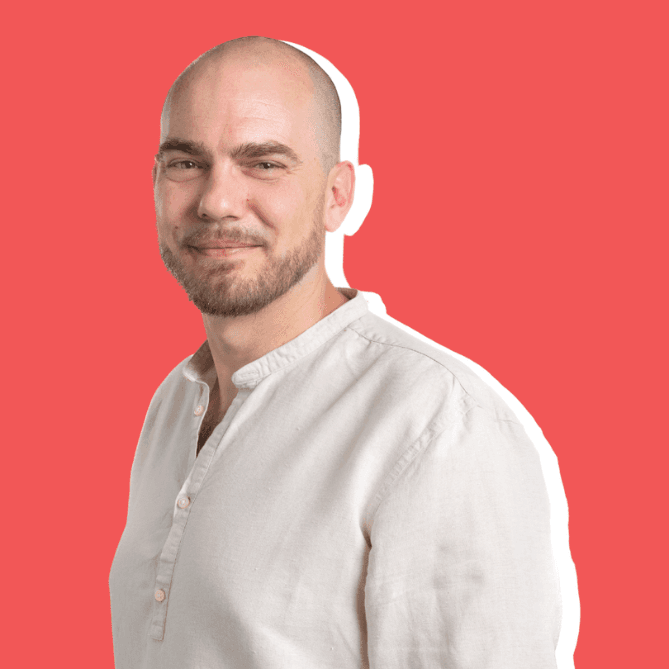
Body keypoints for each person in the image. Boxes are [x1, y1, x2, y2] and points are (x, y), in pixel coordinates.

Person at [109, 36, 578, 668]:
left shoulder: (442, 426)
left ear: (338, 196)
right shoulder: (174, 403)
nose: (216, 201)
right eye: (186, 162)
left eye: (264, 163)